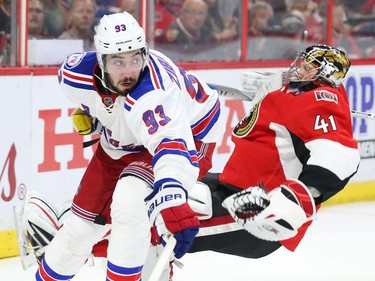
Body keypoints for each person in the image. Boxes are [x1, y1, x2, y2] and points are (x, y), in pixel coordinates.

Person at [19, 44, 359, 277]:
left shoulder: (322, 98)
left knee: (157, 219)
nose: (298, 68)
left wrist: (303, 195)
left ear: (327, 76)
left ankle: (67, 247)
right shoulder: (292, 94)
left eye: (310, 66)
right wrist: (269, 93)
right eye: (301, 60)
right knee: (152, 196)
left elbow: (339, 155)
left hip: (257, 211)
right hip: (232, 189)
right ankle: (69, 236)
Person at [33, 11, 221, 281]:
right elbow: (109, 103)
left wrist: (172, 195)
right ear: (100, 61)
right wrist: (98, 118)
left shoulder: (153, 94)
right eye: (118, 62)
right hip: (121, 144)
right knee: (79, 228)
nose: (129, 70)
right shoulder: (74, 75)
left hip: (191, 134)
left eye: (136, 58)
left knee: (130, 201)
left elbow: (171, 147)